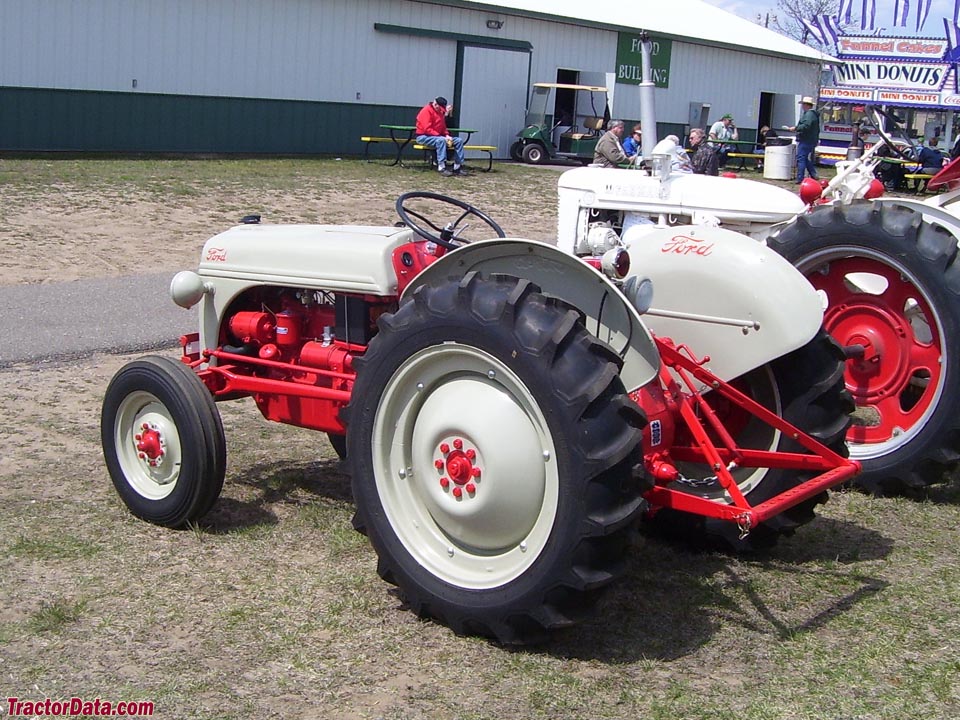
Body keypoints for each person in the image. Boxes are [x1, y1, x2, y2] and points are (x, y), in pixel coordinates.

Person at [415, 96, 467, 177]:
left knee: (459, 141)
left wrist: (447, 135)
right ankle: (441, 167)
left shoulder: (440, 113)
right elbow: (427, 129)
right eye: (440, 108)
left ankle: (457, 167)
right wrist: (442, 137)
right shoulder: (426, 111)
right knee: (441, 140)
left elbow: (443, 127)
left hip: (438, 136)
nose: (441, 110)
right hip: (423, 136)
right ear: (435, 104)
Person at [788, 96, 820, 184]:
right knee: (804, 158)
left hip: (806, 139)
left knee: (801, 158)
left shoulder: (809, 114)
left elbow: (806, 126)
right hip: (810, 139)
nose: (802, 106)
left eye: (803, 104)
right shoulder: (812, 114)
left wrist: (796, 128)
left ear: (806, 105)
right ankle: (813, 174)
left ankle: (800, 178)